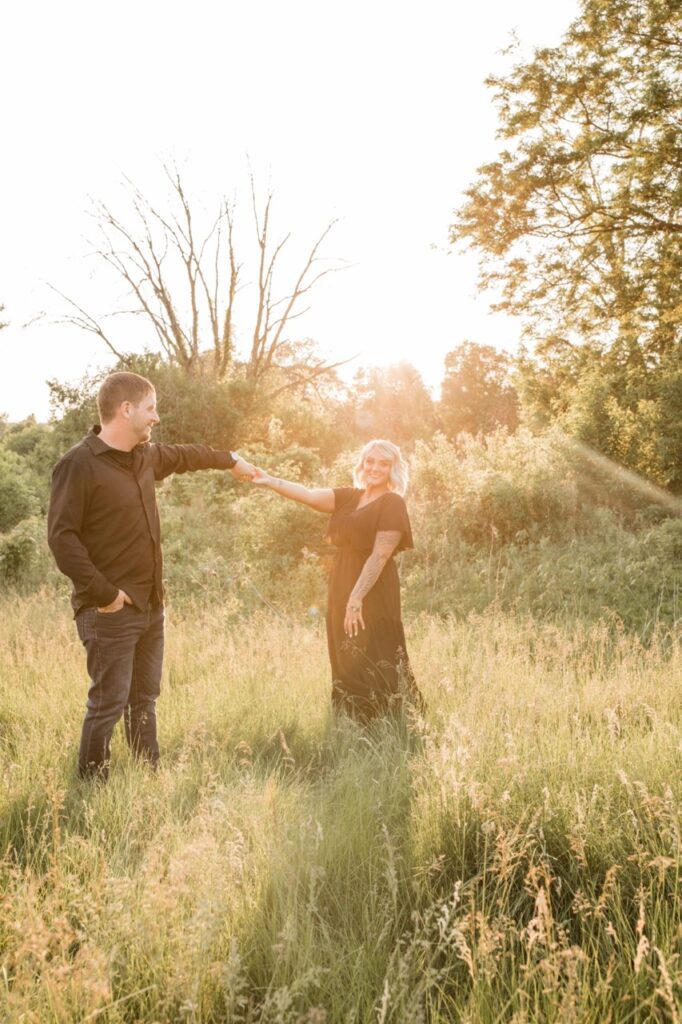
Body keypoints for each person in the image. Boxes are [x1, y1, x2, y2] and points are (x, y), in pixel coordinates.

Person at [47, 371, 255, 779]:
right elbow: (62, 539)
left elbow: (186, 455)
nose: (155, 417)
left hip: (150, 605)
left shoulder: (144, 457)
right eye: (150, 408)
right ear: (126, 410)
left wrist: (230, 459)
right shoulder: (79, 464)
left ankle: (148, 780)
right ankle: (92, 790)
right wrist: (106, 594)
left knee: (144, 700)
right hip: (109, 611)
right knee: (108, 703)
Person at [251, 439, 421, 720]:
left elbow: (380, 556)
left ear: (393, 469)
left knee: (376, 649)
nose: (375, 468)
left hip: (372, 587)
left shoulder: (392, 502)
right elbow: (306, 493)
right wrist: (269, 480)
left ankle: (389, 721)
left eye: (383, 463)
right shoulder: (348, 497)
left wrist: (356, 599)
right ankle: (350, 720)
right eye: (370, 461)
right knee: (344, 652)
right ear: (362, 464)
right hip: (342, 582)